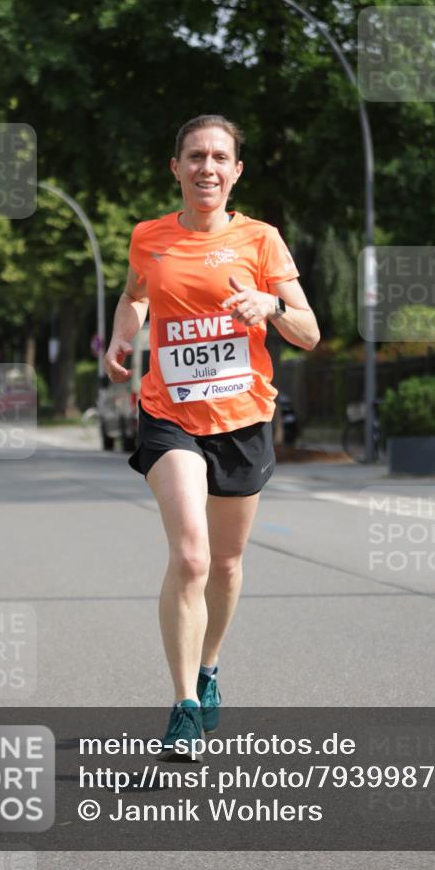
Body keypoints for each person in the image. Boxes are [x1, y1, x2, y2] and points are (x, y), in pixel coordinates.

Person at [104, 115, 320, 754]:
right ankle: (184, 705)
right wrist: (121, 335)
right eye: (195, 156)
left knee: (225, 564)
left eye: (220, 157)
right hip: (169, 414)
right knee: (192, 556)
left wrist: (270, 306)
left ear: (236, 171)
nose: (207, 167)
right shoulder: (149, 237)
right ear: (176, 167)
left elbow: (309, 332)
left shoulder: (261, 239)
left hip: (243, 419)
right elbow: (135, 296)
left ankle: (209, 667)